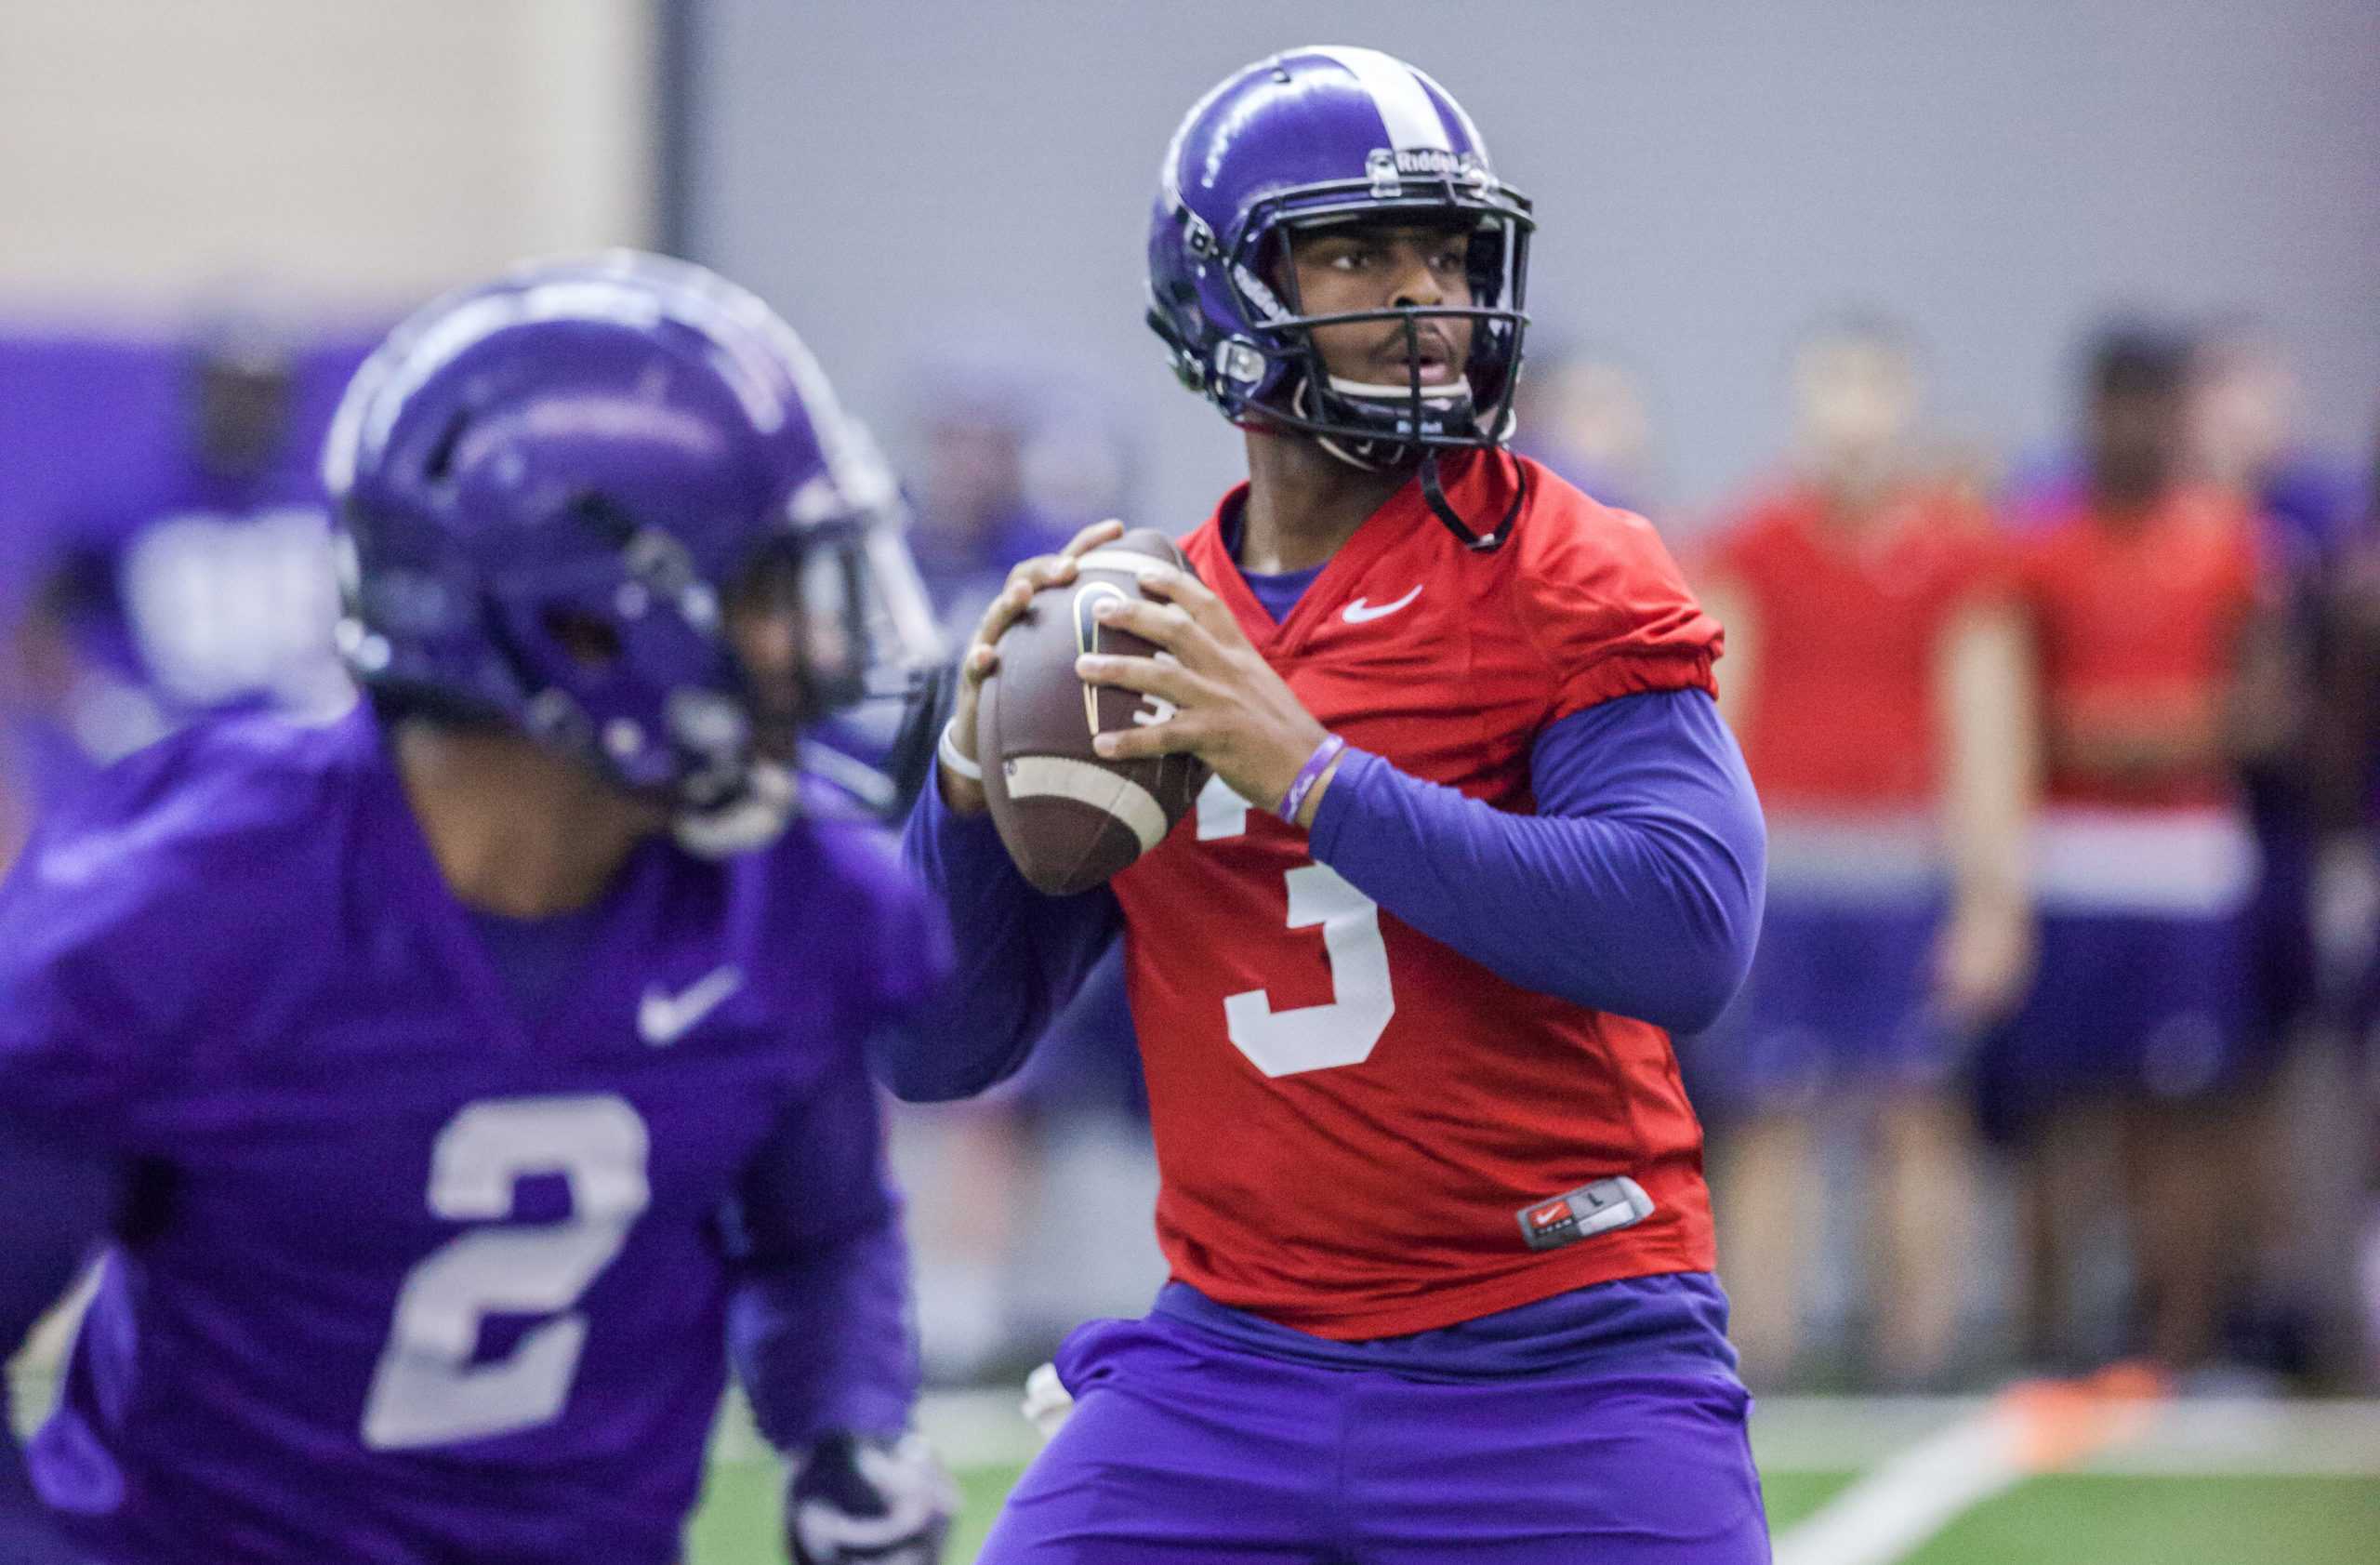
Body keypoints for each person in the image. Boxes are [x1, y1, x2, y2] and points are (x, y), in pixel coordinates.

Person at [888, 46, 1768, 1562]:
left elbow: (1688, 930)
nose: (1425, 297)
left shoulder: (1558, 563)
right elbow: (933, 1043)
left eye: (1443, 249)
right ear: (1230, 292)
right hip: (1234, 1360)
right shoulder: (1129, 634)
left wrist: (1311, 772)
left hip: (1561, 1345)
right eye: (1360, 251)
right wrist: (967, 790)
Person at [0, 254, 956, 1565]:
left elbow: (823, 1231)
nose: (815, 650)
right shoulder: (183, 914)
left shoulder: (800, 901)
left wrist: (848, 1426)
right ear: (579, 627)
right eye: (761, 593)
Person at [1688, 315, 2034, 1389]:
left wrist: (1991, 904)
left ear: (1905, 405)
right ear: (1800, 406)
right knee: (1768, 1123)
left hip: (1906, 875)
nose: (1850, 416)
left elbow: (1988, 732)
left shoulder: (1960, 558)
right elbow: (1711, 724)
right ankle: (1762, 1360)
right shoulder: (1749, 542)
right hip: (1783, 877)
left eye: (1871, 390)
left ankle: (1916, 1362)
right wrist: (1709, 885)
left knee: (1918, 1116)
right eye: (1830, 388)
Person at [1979, 323, 2274, 1374]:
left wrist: (2169, 734)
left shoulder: (2232, 543)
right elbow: (1999, 703)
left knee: (2183, 1117)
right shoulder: (2037, 545)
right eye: (2116, 405)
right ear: (2088, 415)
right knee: (2057, 1111)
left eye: (2154, 406)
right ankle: (2049, 1343)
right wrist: (2077, 736)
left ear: (2179, 419)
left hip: (2187, 867)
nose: (2135, 428)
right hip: (2064, 859)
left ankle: (2174, 1350)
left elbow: (2268, 705)